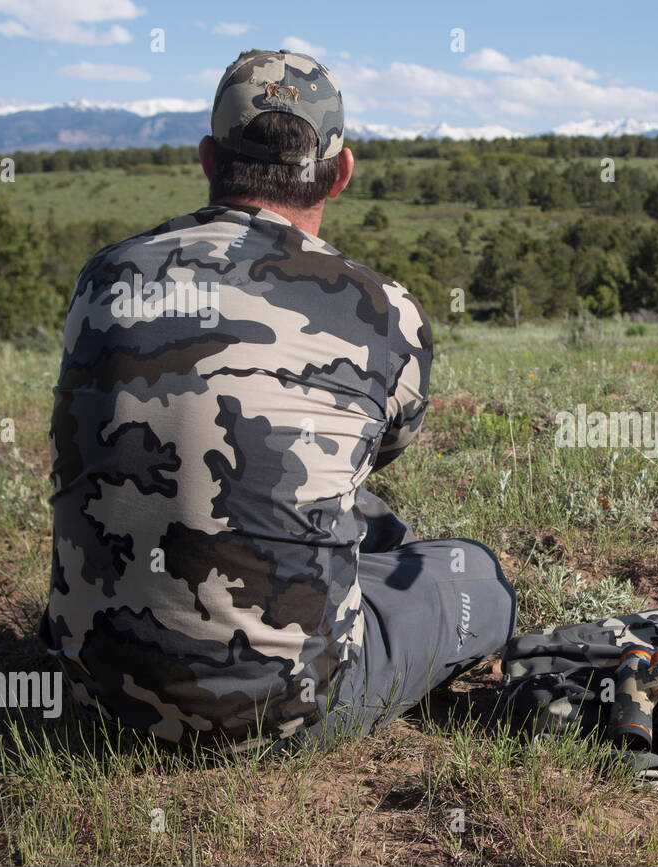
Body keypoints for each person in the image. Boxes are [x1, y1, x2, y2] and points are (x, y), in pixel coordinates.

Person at [40, 49, 516, 752]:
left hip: (89, 688)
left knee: (356, 515)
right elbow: (382, 447)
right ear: (341, 172)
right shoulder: (385, 307)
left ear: (208, 157)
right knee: (474, 573)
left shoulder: (105, 276)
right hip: (287, 713)